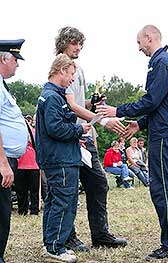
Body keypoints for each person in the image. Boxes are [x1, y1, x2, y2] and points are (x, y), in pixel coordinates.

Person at [96, 25, 168, 260]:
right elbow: (163, 103)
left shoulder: (161, 62)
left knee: (163, 189)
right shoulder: (166, 62)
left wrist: (118, 110)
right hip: (164, 131)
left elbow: (152, 99)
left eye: (139, 43)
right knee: (163, 188)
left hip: (165, 135)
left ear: (149, 37)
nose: (139, 48)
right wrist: (140, 124)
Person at [55, 26, 128, 250]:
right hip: (71, 136)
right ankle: (68, 236)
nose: (78, 47)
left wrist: (94, 105)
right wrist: (103, 120)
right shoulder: (60, 68)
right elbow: (70, 105)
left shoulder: (79, 69)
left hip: (86, 134)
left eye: (80, 44)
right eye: (74, 43)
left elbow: (80, 103)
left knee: (98, 183)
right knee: (69, 189)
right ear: (64, 43)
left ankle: (100, 233)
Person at [35, 54, 91, 263]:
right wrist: (79, 129)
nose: (72, 79)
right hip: (61, 159)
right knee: (64, 202)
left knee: (54, 201)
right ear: (61, 71)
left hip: (59, 156)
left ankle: (50, 242)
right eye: (71, 74)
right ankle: (56, 247)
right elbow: (55, 128)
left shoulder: (51, 95)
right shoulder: (52, 97)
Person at [0, 39, 28, 263]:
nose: (17, 66)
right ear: (3, 58)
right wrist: (2, 163)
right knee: (0, 216)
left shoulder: (3, 86)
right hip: (2, 160)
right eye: (15, 60)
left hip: (7, 158)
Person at [15, 114, 40, 215]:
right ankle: (22, 210)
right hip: (20, 164)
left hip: (33, 164)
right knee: (21, 190)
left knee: (34, 190)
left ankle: (34, 210)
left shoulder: (34, 132)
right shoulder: (17, 133)